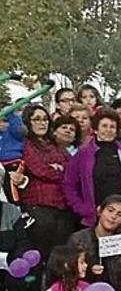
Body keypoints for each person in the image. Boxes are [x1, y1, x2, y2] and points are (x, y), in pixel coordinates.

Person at [62, 109, 121, 230]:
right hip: (95, 220)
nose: (108, 130)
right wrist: (82, 209)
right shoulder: (83, 154)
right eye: (104, 126)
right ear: (96, 129)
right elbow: (69, 185)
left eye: (112, 127)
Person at [21, 105, 77, 281]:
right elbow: (39, 170)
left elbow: (72, 169)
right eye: (36, 119)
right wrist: (59, 170)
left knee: (59, 260)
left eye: (45, 119)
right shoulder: (26, 144)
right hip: (39, 207)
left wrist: (60, 169)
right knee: (40, 258)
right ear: (27, 122)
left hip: (63, 208)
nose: (42, 123)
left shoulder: (55, 145)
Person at [0, 165, 37, 291]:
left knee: (17, 280)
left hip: (9, 261)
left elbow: (22, 240)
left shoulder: (11, 210)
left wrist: (14, 259)